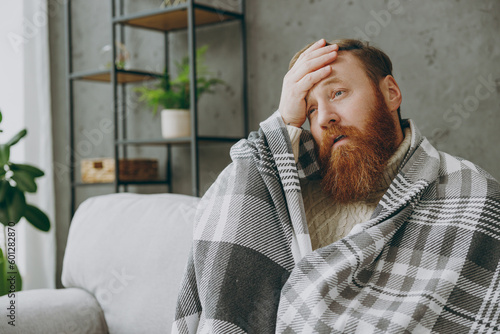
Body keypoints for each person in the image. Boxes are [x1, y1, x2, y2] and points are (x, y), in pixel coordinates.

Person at [172, 39, 500, 333]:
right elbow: (227, 210)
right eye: (310, 110)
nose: (325, 117)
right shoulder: (286, 191)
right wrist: (282, 123)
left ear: (391, 93)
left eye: (337, 93)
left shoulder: (472, 192)